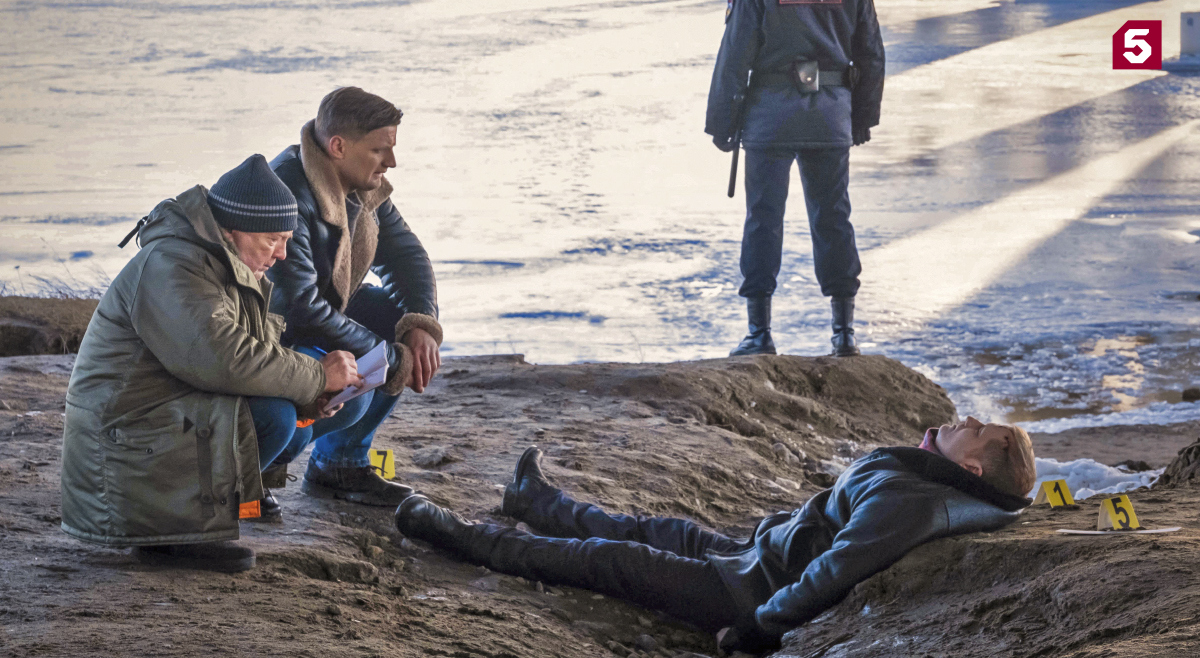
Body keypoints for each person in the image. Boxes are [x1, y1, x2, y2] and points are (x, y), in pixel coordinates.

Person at [395, 417, 1036, 655]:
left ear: (972, 468)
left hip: (746, 590)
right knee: (653, 529)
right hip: (754, 553)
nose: (963, 419)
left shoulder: (916, 505)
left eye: (974, 428)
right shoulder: (928, 480)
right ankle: (533, 501)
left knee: (608, 558)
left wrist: (758, 628)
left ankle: (460, 536)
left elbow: (836, 569)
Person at [61, 154, 364, 572]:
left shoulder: (227, 263)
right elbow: (222, 359)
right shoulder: (174, 264)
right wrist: (315, 375)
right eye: (273, 239)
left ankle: (200, 518)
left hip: (163, 416)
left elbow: (251, 354)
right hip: (123, 438)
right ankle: (177, 533)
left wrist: (313, 397)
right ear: (233, 229)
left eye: (287, 240)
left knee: (297, 409)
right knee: (273, 416)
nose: (282, 254)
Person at [266, 86, 443, 506]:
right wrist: (389, 358)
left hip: (316, 315)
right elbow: (299, 309)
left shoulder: (361, 187)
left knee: (400, 322)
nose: (392, 161)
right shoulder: (287, 192)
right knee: (351, 395)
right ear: (339, 146)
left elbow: (405, 255)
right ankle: (258, 467)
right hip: (272, 336)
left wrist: (421, 323)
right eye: (380, 150)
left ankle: (340, 464)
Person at [707, 0, 885, 357]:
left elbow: (735, 54)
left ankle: (759, 333)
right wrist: (861, 118)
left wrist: (722, 122)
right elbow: (870, 54)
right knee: (833, 217)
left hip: (770, 118)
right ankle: (844, 334)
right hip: (830, 116)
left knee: (763, 219)